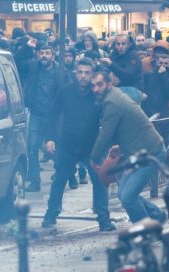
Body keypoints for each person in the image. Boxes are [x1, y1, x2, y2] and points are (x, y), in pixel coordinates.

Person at [41, 58, 115, 231]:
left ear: (92, 74)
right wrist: (50, 138)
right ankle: (51, 214)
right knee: (59, 179)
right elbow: (52, 114)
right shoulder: (65, 92)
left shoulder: (97, 93)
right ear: (75, 73)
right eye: (80, 72)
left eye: (87, 73)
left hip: (91, 145)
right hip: (68, 143)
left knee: (99, 180)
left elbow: (109, 117)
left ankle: (104, 219)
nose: (83, 76)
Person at [89, 70, 167, 223]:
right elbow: (126, 127)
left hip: (149, 153)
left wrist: (94, 158)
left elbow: (106, 134)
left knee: (128, 197)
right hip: (139, 152)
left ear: (109, 84)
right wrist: (121, 146)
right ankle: (157, 215)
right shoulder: (114, 97)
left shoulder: (112, 102)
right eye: (93, 86)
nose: (96, 89)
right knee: (124, 194)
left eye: (99, 84)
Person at [21, 44, 67, 192]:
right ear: (38, 55)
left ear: (53, 55)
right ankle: (35, 182)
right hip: (36, 113)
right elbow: (18, 60)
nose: (44, 56)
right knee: (32, 148)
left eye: (47, 53)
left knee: (57, 148)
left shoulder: (61, 72)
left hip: (55, 116)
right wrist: (26, 45)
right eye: (42, 53)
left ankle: (68, 175)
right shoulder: (33, 68)